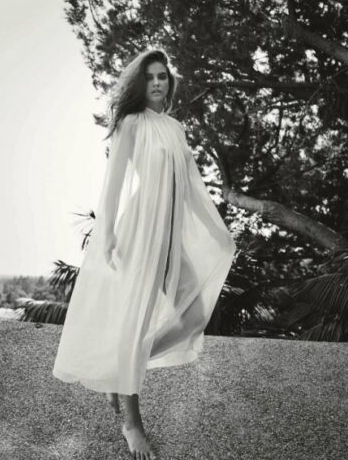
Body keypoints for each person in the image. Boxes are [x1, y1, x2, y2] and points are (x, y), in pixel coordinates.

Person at [53, 48, 237, 460]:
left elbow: (191, 187)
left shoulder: (175, 128)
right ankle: (131, 424)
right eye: (150, 76)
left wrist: (217, 232)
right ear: (141, 83)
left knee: (191, 318)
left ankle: (120, 369)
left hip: (171, 234)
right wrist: (107, 235)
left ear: (170, 82)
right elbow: (114, 183)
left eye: (163, 76)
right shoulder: (131, 124)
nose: (157, 82)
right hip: (140, 231)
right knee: (135, 321)